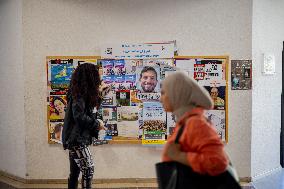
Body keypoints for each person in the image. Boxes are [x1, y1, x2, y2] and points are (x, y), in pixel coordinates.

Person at [160, 72, 229, 177]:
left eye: (164, 93)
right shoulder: (185, 121)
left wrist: (178, 156)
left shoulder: (195, 123)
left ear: (177, 94)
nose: (161, 99)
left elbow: (219, 162)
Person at [62, 63, 108, 189]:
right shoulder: (79, 94)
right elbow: (79, 116)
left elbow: (91, 110)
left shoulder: (83, 92)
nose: (100, 78)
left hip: (79, 137)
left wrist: (101, 95)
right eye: (97, 75)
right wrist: (97, 124)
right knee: (88, 170)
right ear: (90, 76)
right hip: (77, 138)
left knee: (75, 173)